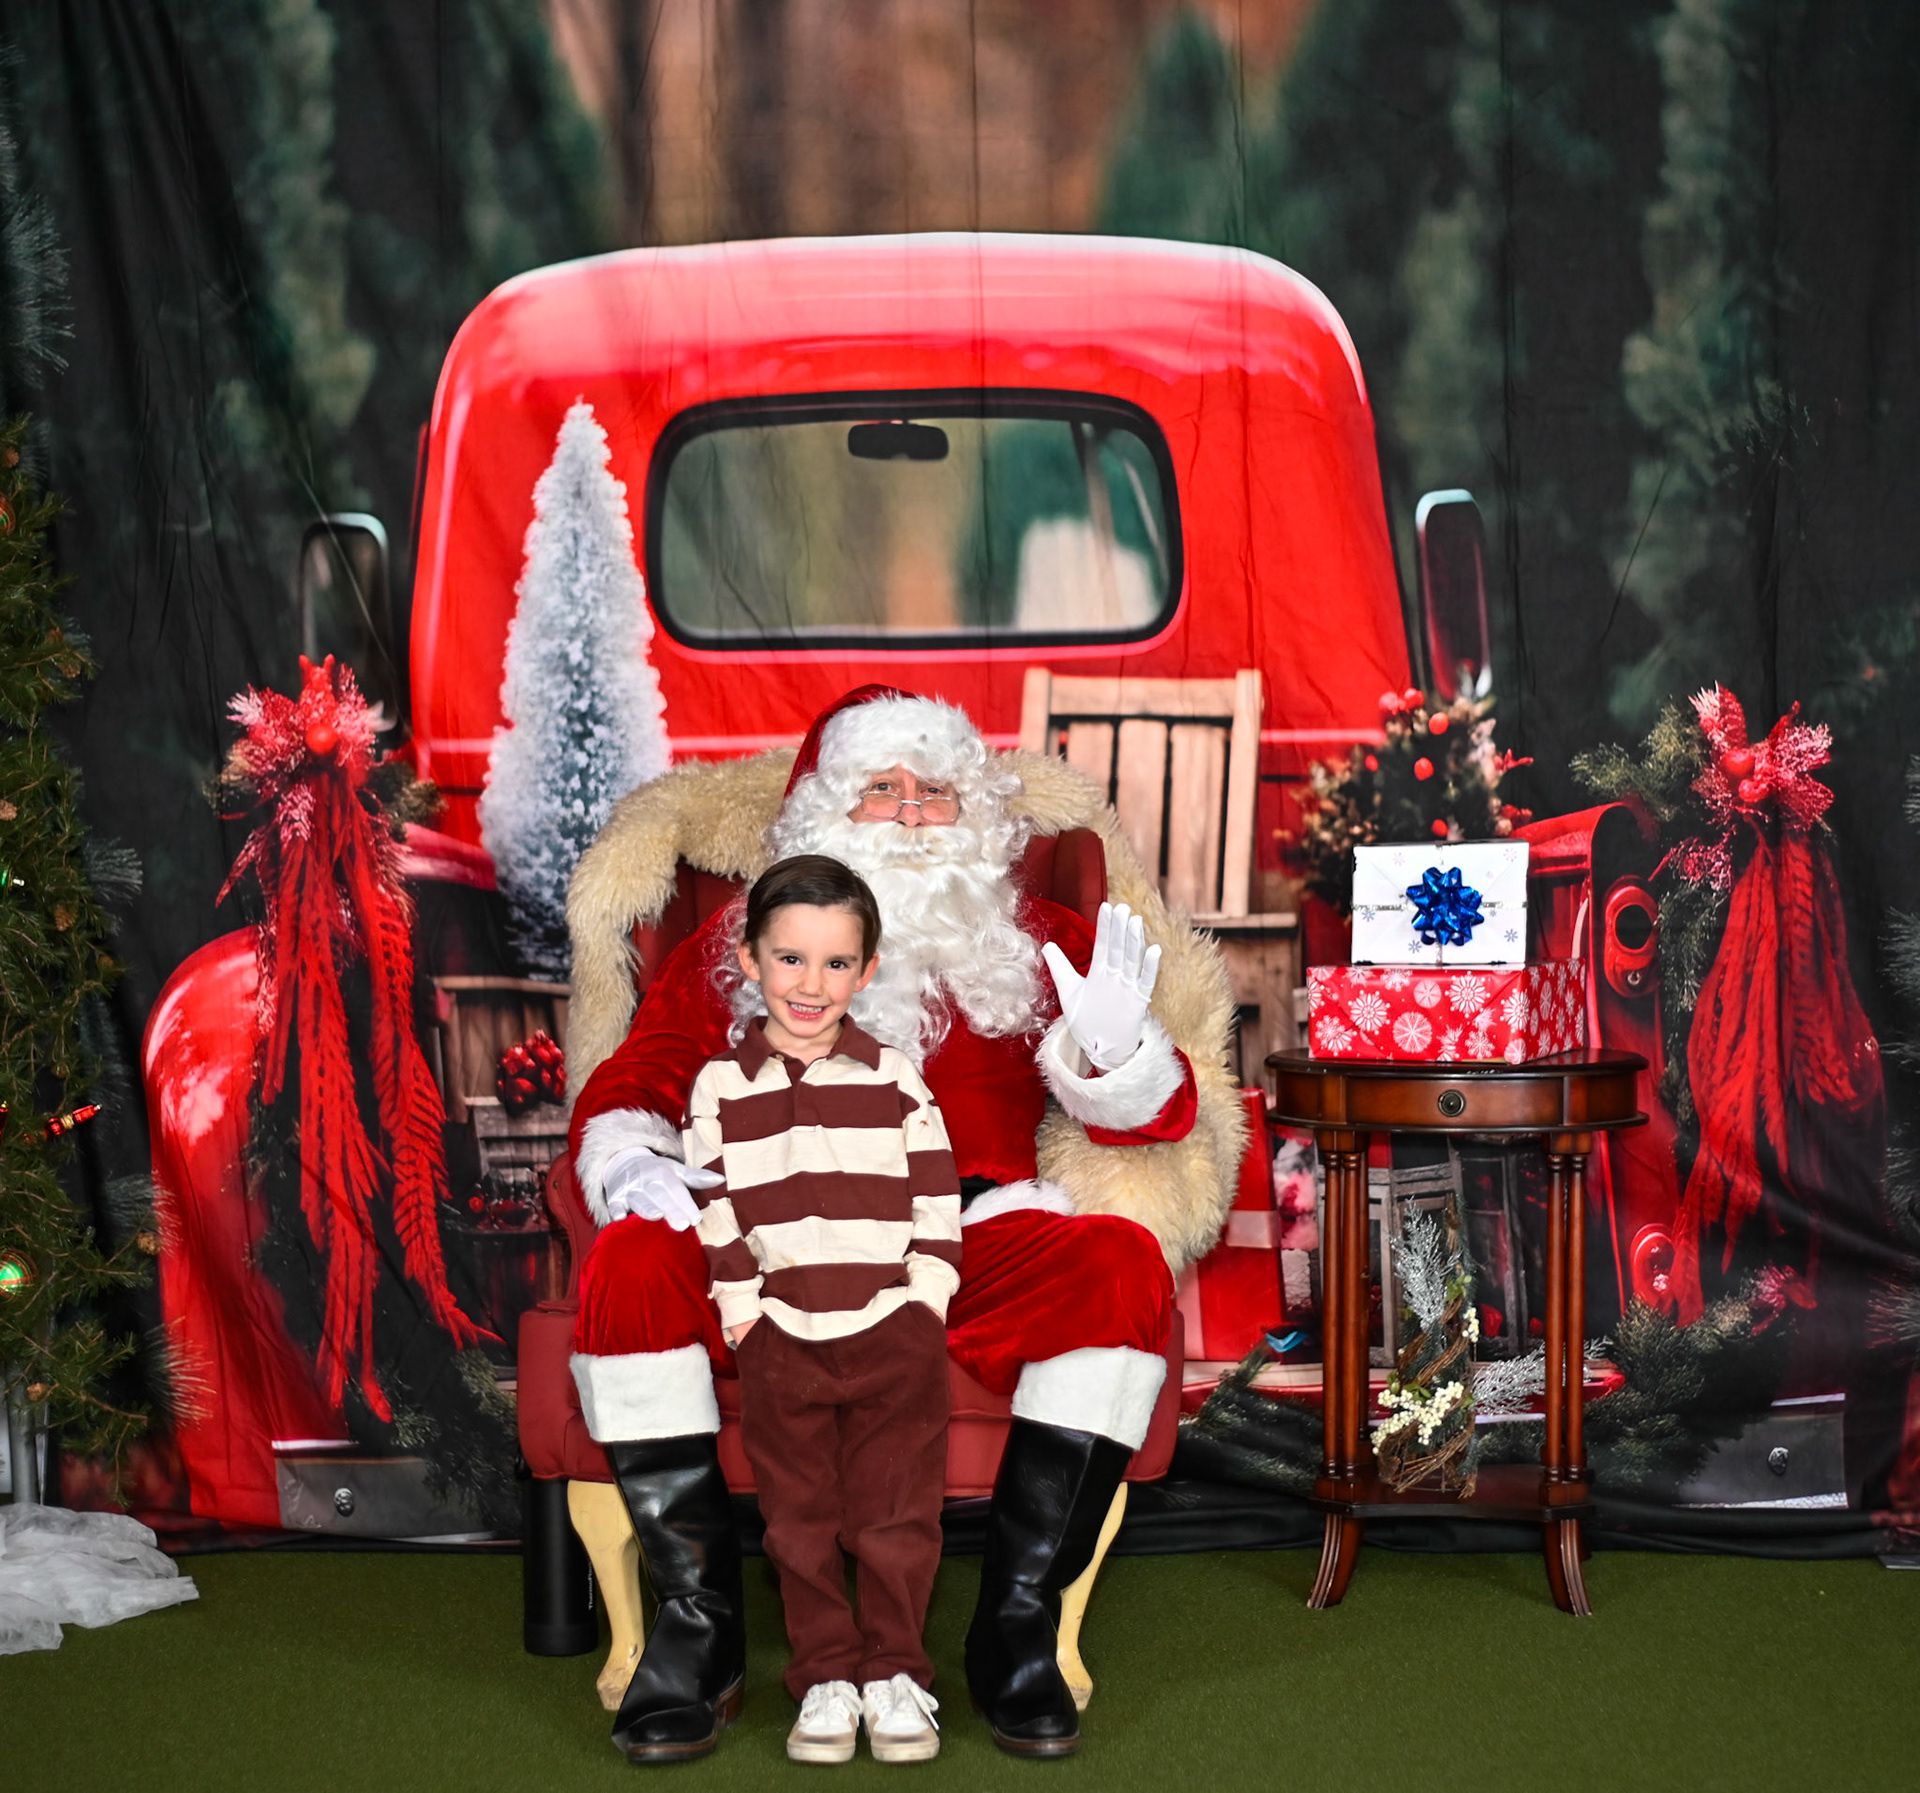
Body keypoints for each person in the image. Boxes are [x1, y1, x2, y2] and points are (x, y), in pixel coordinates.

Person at [565, 685, 1241, 1763]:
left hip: (965, 1236)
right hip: (768, 1238)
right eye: (882, 789)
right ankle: (699, 1630)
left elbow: (1159, 1122)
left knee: (1117, 1262)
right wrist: (634, 1157)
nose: (915, 813)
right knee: (632, 1260)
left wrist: (1116, 1049)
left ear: (977, 812)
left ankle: (1015, 1625)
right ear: (825, 811)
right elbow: (636, 1078)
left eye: (938, 791)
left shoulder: (1035, 944)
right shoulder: (740, 953)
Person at [687, 854, 956, 1765]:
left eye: (837, 962)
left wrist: (924, 1304)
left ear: (867, 969)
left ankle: (897, 1674)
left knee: (895, 1514)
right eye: (790, 958)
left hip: (893, 1331)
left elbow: (936, 1198)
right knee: (798, 1522)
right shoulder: (720, 1087)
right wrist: (745, 1316)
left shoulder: (896, 1076)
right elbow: (716, 1210)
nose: (811, 984)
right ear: (751, 959)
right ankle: (827, 1677)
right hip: (781, 1336)